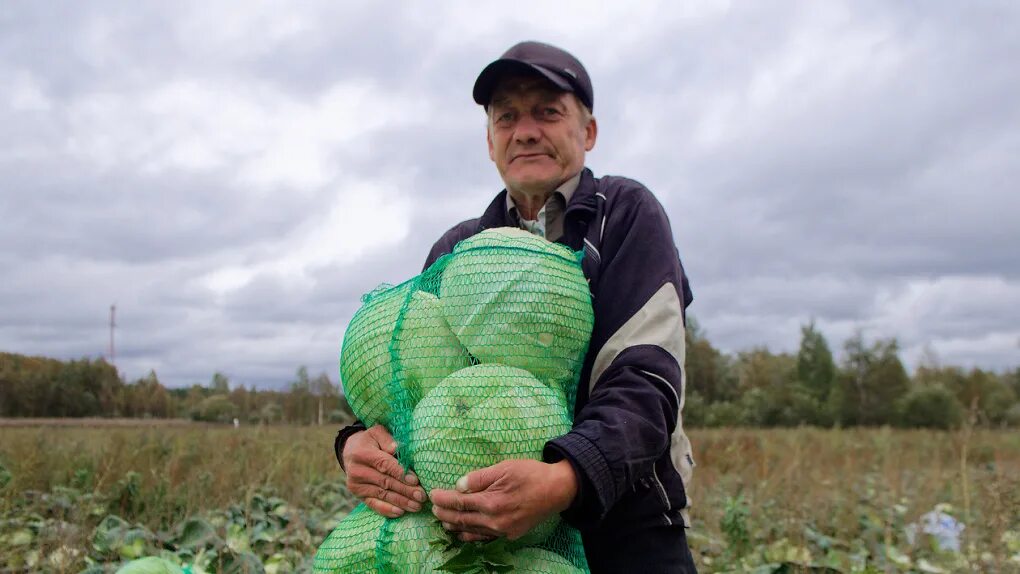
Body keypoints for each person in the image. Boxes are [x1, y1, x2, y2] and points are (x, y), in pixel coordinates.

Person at [335, 41, 697, 573]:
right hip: (490, 542)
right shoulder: (458, 253)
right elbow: (411, 385)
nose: (525, 130)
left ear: (588, 131)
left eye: (548, 112)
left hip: (628, 528)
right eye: (507, 117)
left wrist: (565, 478)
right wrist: (357, 445)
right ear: (489, 141)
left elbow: (646, 380)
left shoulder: (623, 215)